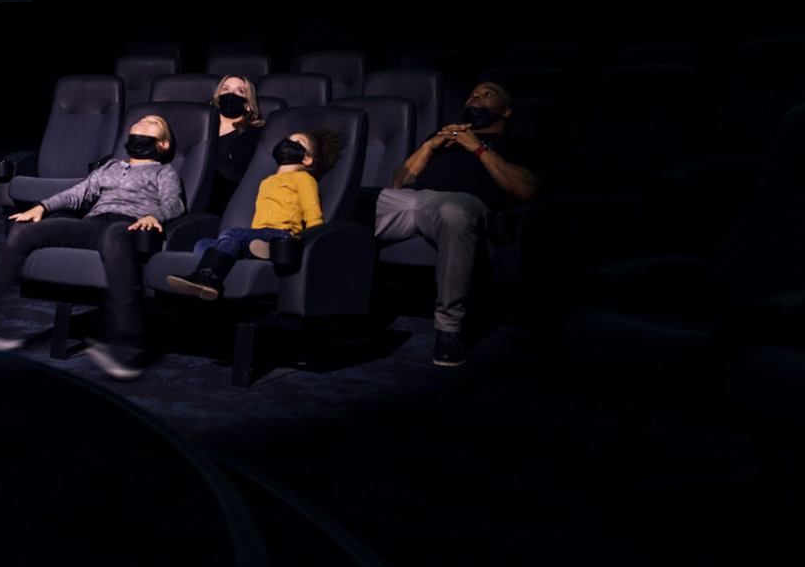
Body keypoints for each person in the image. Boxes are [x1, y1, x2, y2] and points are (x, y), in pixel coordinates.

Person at [0, 114, 184, 380]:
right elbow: (78, 193)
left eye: (154, 123)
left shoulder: (162, 172)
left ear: (164, 145)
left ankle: (126, 343)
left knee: (113, 235)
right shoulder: (110, 167)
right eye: (142, 120)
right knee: (25, 231)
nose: (145, 121)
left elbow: (174, 204)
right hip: (95, 223)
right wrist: (42, 207)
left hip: (131, 226)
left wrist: (155, 216)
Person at [374, 80, 538, 368]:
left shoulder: (515, 144)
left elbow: (525, 189)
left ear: (506, 112)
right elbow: (398, 182)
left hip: (462, 202)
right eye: (473, 93)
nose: (476, 97)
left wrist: (477, 148)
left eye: (488, 95)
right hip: (414, 200)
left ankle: (449, 330)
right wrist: (429, 145)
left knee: (454, 211)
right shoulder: (441, 140)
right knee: (360, 203)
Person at [166, 129, 337, 299]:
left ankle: (208, 277)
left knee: (233, 233)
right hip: (259, 234)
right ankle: (252, 251)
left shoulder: (304, 179)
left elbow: (312, 213)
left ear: (307, 158)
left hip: (281, 235)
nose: (288, 143)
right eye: (288, 139)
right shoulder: (267, 181)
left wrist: (310, 243)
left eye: (297, 143)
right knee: (202, 243)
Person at [206, 74, 265, 215]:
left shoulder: (255, 133)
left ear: (249, 105)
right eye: (225, 89)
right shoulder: (201, 127)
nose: (231, 94)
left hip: (228, 203)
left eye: (240, 91)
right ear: (217, 97)